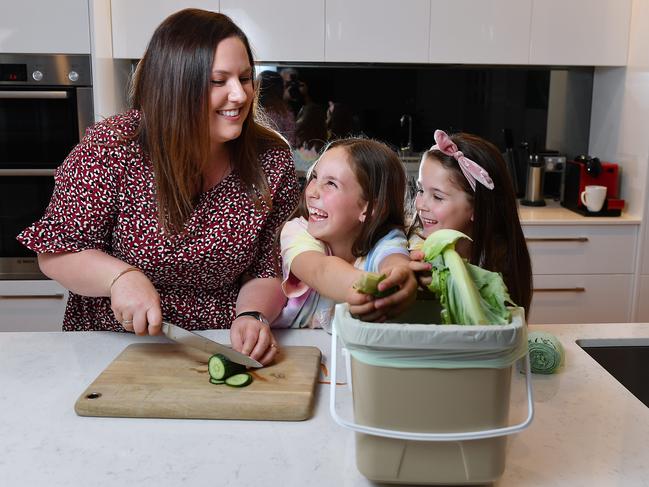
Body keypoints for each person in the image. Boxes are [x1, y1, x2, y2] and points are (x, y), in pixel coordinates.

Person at [16, 9, 300, 365]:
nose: (240, 95)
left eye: (244, 79)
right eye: (218, 81)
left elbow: (266, 268)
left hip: (220, 344)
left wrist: (252, 316)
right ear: (175, 84)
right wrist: (119, 277)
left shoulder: (270, 161)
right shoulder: (111, 148)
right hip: (112, 346)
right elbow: (57, 252)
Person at [273, 138, 418, 330]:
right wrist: (373, 290)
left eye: (331, 184)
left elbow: (394, 260)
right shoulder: (297, 232)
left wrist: (401, 276)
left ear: (370, 207)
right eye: (315, 177)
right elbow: (320, 270)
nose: (312, 191)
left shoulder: (387, 238)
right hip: (292, 349)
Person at [408, 129, 533, 315]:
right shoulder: (408, 246)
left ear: (476, 208)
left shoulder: (499, 262)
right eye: (420, 190)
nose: (421, 204)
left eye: (437, 196)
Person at [257, 70, 296, 146]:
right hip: (275, 154)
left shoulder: (250, 109)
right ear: (279, 88)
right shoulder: (283, 112)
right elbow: (291, 141)